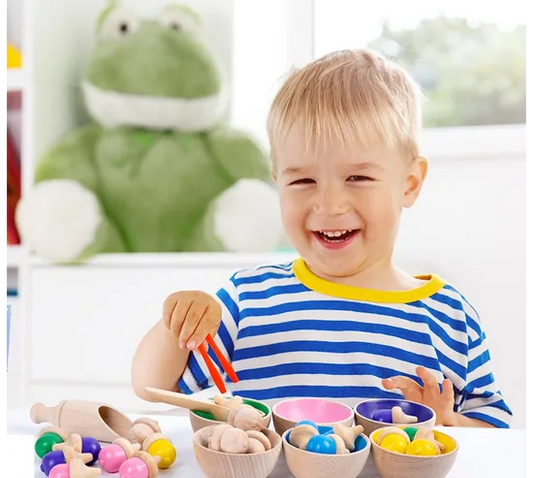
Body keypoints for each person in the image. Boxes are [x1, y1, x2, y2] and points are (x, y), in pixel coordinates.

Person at [131, 49, 512, 428]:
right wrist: (177, 322)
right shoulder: (248, 298)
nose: (329, 205)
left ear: (409, 184)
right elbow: (150, 386)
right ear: (278, 182)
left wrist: (448, 423)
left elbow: (496, 430)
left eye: (357, 178)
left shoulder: (449, 316)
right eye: (303, 181)